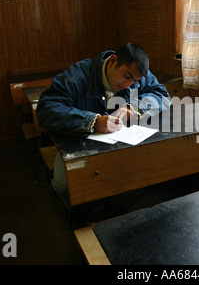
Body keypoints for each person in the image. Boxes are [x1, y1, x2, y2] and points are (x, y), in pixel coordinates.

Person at [36, 43, 172, 218]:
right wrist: (92, 121)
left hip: (121, 141)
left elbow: (163, 96)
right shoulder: (77, 76)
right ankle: (79, 215)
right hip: (78, 142)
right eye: (126, 76)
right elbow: (46, 110)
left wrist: (136, 106)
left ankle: (116, 208)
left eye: (135, 82)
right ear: (112, 61)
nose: (128, 85)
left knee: (143, 168)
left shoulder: (137, 76)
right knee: (64, 185)